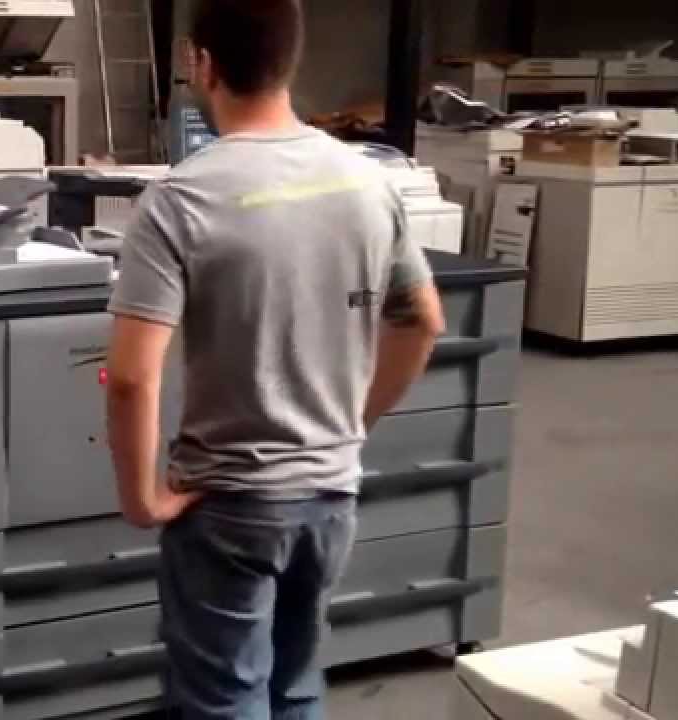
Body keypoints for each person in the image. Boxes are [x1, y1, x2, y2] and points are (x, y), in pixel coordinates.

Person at [103, 1, 446, 718]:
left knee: (223, 701)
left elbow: (132, 375)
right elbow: (421, 321)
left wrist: (142, 500)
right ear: (291, 60)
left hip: (228, 501)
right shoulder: (366, 180)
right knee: (294, 685)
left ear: (201, 62)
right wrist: (353, 422)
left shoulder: (182, 197)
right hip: (330, 495)